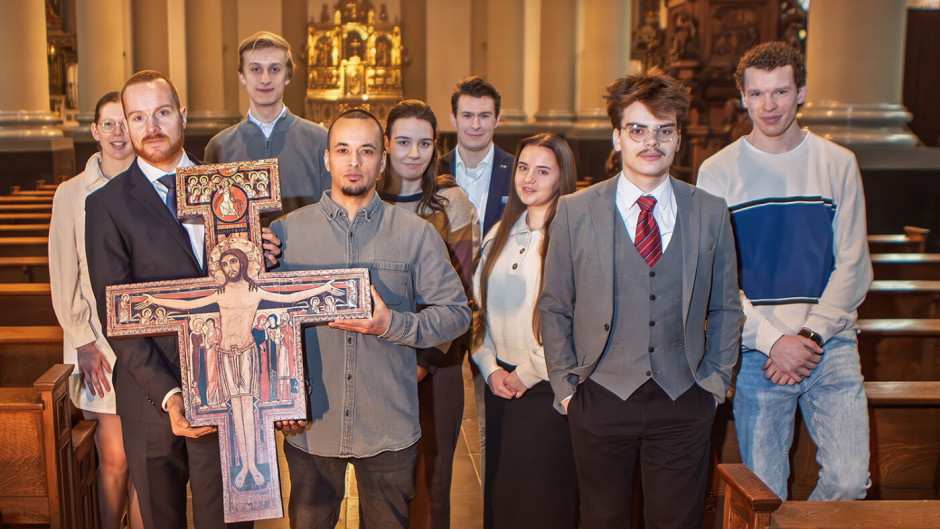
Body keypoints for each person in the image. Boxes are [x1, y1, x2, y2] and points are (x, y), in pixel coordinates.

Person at [539, 68, 743, 528]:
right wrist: (568, 390)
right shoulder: (575, 209)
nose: (651, 142)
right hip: (599, 397)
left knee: (677, 522)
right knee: (602, 520)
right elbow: (554, 305)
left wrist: (713, 386)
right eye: (638, 130)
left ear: (677, 140)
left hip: (684, 397)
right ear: (617, 138)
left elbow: (726, 307)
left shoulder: (709, 211)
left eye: (664, 131)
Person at [267, 108, 471, 529]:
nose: (354, 162)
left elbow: (456, 315)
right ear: (327, 159)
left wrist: (392, 325)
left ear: (382, 161)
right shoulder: (286, 235)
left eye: (366, 151)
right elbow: (262, 327)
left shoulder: (415, 234)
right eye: (343, 150)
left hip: (388, 428)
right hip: (312, 427)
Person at [697, 41, 872, 501]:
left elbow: (854, 266)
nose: (768, 105)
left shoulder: (838, 163)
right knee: (763, 493)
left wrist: (809, 338)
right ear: (743, 96)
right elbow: (717, 279)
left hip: (830, 347)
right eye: (757, 94)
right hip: (758, 352)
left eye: (779, 91)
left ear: (802, 92)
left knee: (849, 481)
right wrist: (775, 341)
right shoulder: (717, 171)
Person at [85, 70, 251, 529]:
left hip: (229, 385)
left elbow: (248, 288)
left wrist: (266, 253)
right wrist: (169, 394)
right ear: (127, 125)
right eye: (137, 117)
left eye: (161, 113)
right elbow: (115, 314)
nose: (150, 126)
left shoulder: (232, 190)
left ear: (182, 116)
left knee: (229, 521)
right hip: (150, 396)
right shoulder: (107, 205)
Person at [377, 99, 480, 529]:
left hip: (438, 360)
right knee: (385, 475)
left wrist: (424, 361)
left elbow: (462, 294)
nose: (413, 153)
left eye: (423, 143)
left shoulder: (451, 202)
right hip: (379, 355)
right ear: (386, 144)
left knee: (436, 474)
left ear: (435, 146)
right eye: (403, 141)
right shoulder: (369, 199)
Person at [472, 133, 578, 529]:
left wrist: (526, 373)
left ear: (561, 178)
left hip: (548, 392)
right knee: (503, 504)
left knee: (542, 506)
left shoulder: (570, 238)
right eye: (522, 167)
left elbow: (574, 321)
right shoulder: (498, 234)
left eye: (542, 170)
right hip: (500, 388)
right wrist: (489, 368)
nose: (528, 178)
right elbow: (477, 314)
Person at [49, 91, 143, 529]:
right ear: (94, 131)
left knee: (149, 462)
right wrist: (82, 340)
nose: (117, 133)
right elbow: (64, 270)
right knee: (117, 457)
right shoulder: (71, 194)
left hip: (149, 338)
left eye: (124, 122)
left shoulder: (152, 182)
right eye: (108, 124)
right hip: (97, 342)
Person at [438, 76, 514, 477]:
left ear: (497, 119)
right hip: (445, 306)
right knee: (440, 423)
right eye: (467, 115)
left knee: (495, 421)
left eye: (484, 115)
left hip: (500, 306)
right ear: (453, 117)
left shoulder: (519, 171)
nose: (475, 124)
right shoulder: (432, 170)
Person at [205, 31, 329, 214]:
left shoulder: (320, 140)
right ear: (241, 75)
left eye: (274, 69)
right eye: (255, 69)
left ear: (288, 75)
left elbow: (332, 212)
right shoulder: (219, 147)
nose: (265, 79)